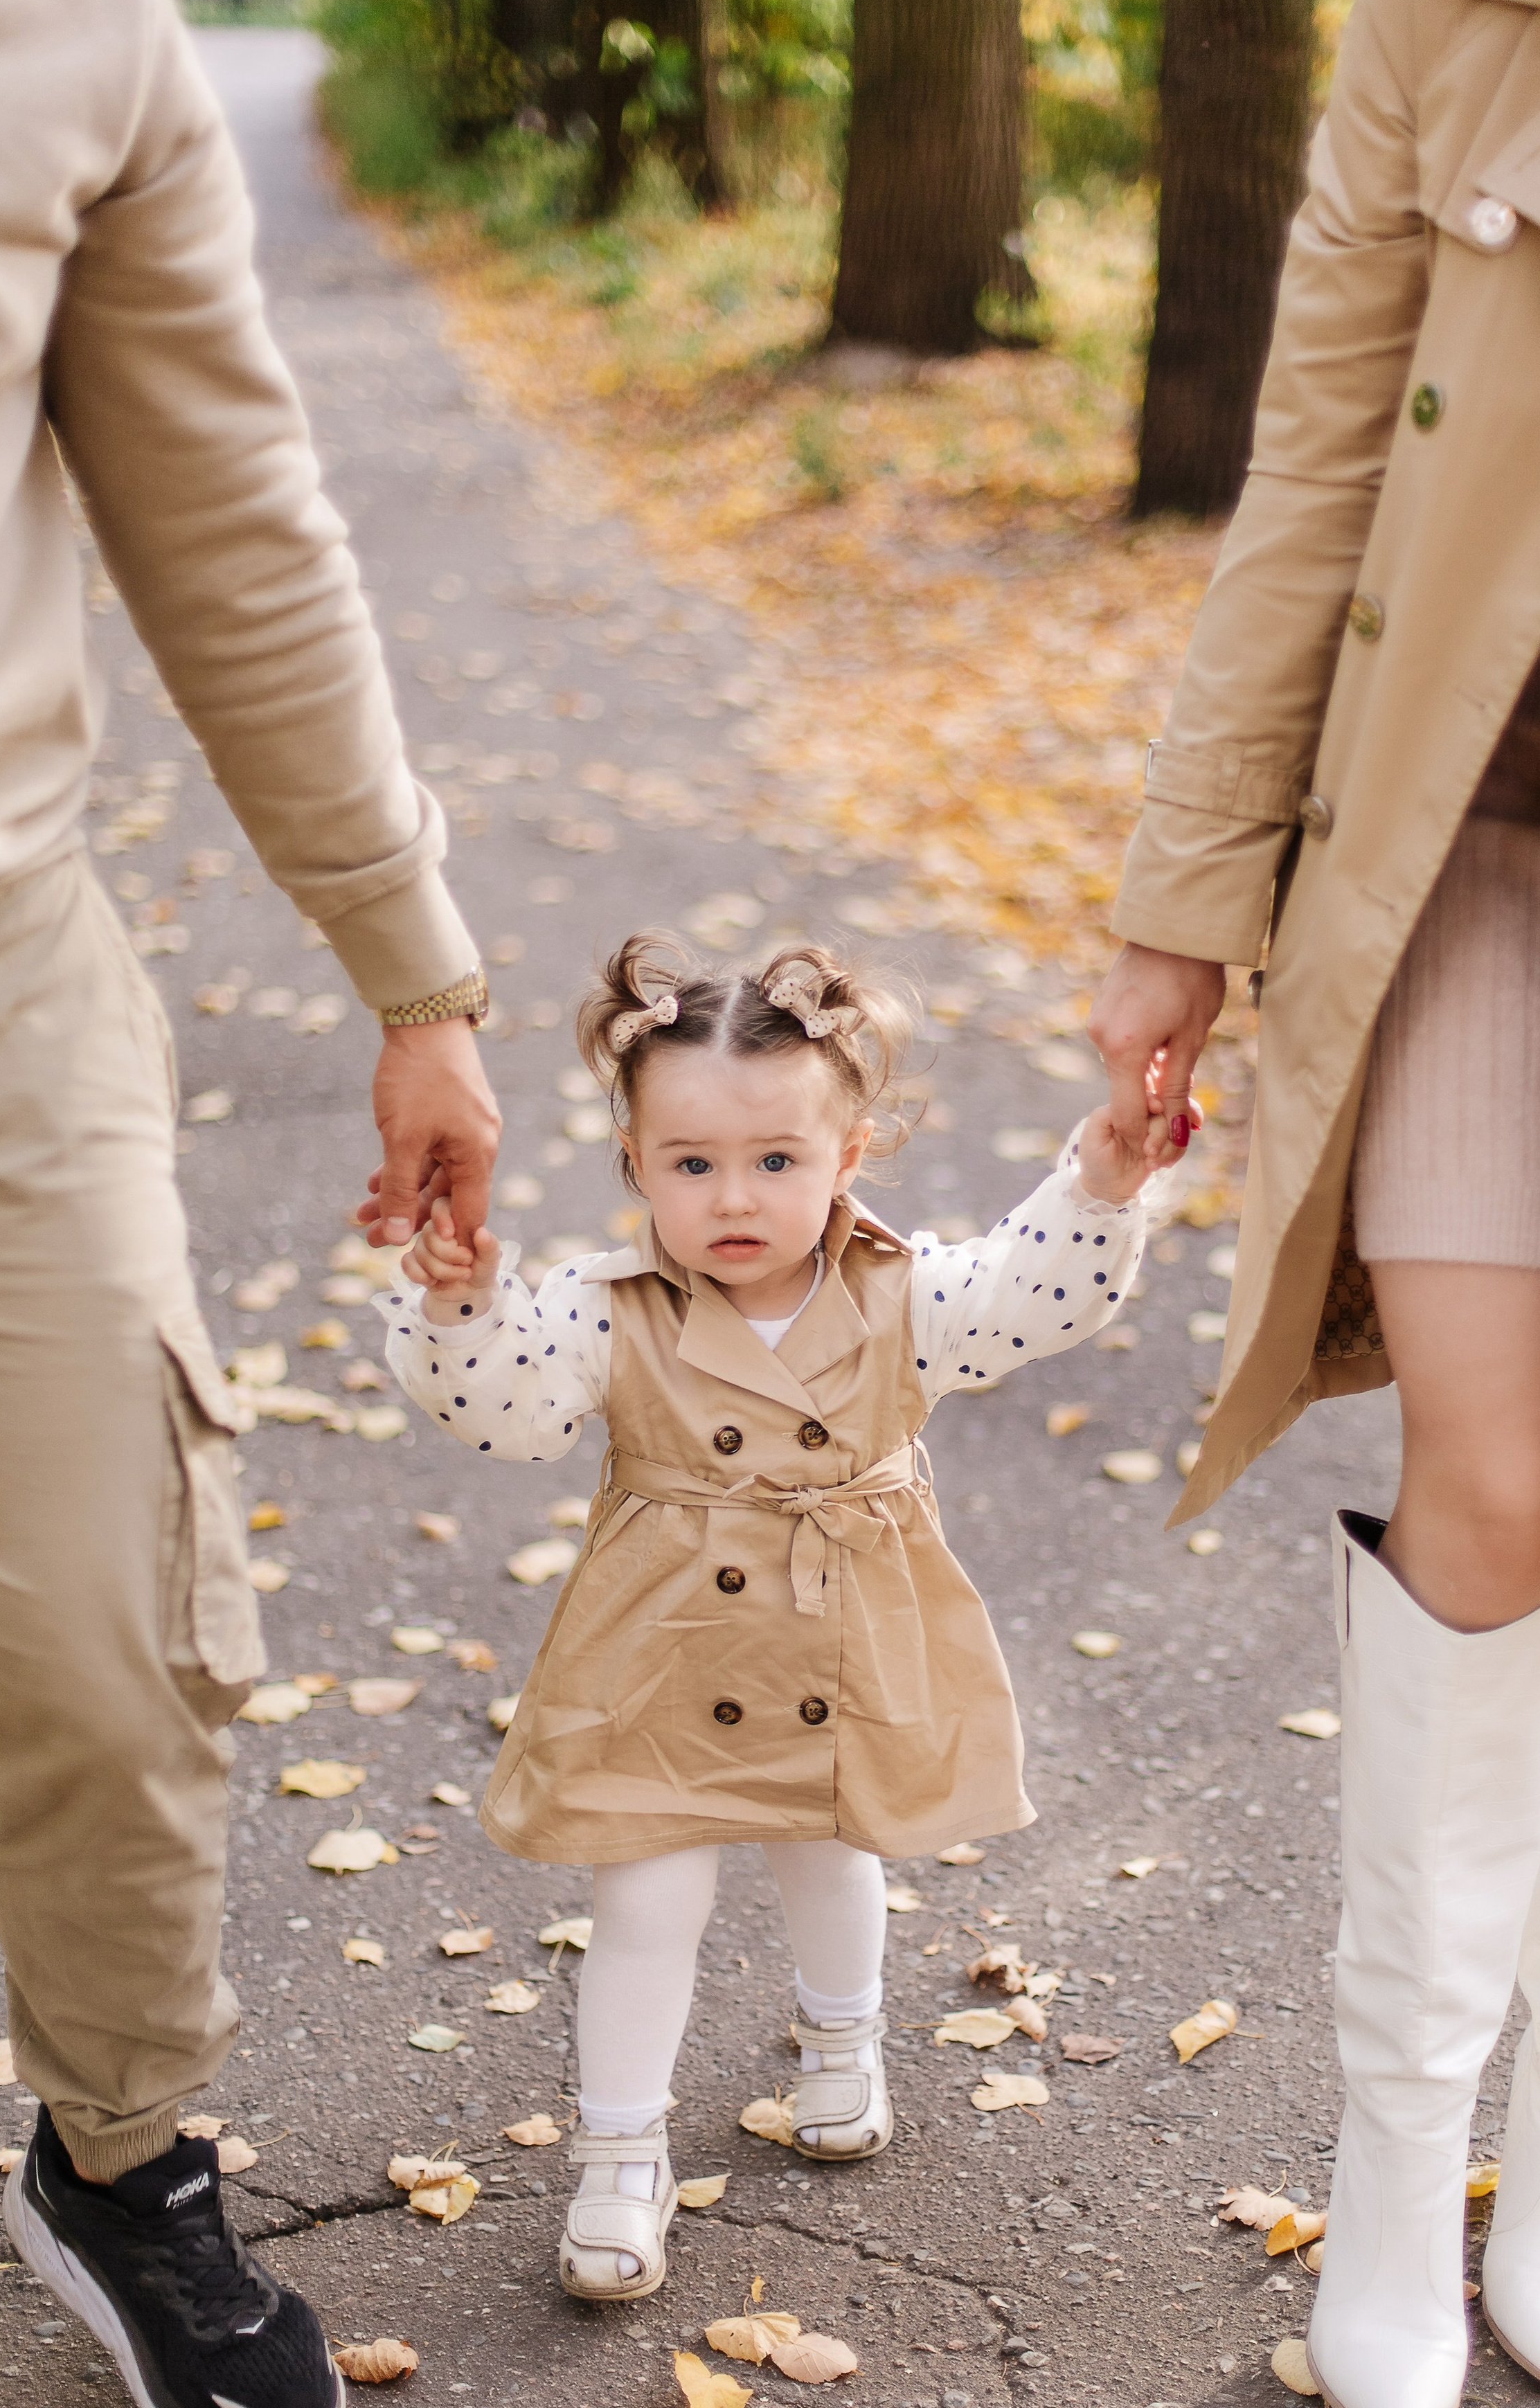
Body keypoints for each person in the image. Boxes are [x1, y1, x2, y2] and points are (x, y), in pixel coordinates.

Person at [1089, 0, 1540, 2408]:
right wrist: (1184, 891)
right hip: (1482, 826)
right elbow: (1324, 444)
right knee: (1501, 1464)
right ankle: (1393, 2150)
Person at [0, 0, 498, 2408]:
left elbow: (231, 518)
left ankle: (118, 2153)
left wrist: (411, 963)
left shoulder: (61, 9)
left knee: (102, 1636)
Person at [379, 935, 1163, 2300]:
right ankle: (620, 2160)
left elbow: (1028, 1298)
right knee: (645, 1898)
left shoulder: (899, 1295)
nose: (731, 1196)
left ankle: (840, 2038)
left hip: (838, 1634)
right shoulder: (600, 1310)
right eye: (690, 1164)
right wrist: (455, 1305)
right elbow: (497, 1416)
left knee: (830, 1842)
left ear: (846, 1153)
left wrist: (1098, 1182)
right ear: (634, 1159)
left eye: (774, 1162)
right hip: (658, 1655)